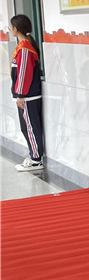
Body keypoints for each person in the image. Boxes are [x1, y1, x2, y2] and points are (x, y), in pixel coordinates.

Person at [9, 14, 45, 172]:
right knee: (28, 127)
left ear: (16, 29)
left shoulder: (25, 47)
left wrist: (20, 95)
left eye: (11, 27)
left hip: (28, 96)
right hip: (27, 95)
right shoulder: (24, 45)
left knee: (30, 128)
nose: (10, 29)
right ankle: (34, 156)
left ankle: (36, 160)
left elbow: (24, 73)